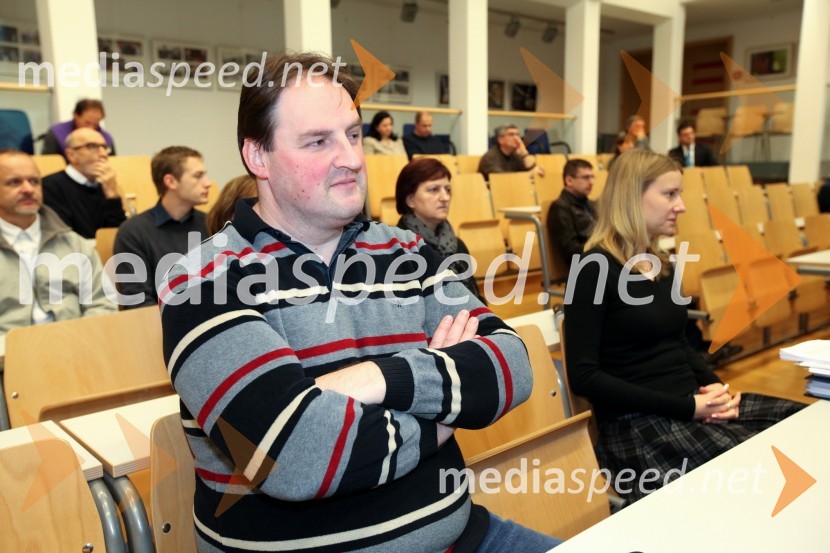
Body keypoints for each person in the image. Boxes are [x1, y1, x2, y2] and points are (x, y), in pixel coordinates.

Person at [160, 52, 560, 552]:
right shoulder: (204, 278)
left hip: (463, 538)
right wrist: (445, 408)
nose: (350, 157)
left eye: (352, 134)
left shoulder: (407, 250)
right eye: (318, 141)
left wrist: (374, 379)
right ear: (257, 157)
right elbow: (297, 458)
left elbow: (513, 365)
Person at [563, 149, 804, 503]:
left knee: (803, 426)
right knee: (767, 470)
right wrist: (688, 408)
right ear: (633, 197)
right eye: (670, 194)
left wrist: (716, 389)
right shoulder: (593, 269)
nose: (682, 206)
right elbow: (585, 376)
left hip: (689, 407)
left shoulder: (661, 264)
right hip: (639, 427)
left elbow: (679, 344)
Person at [0, 149, 115, 338]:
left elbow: (102, 303)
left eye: (34, 181)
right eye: (14, 182)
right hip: (8, 359)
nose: (28, 189)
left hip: (75, 349)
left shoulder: (74, 243)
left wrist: (78, 341)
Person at [113, 146, 210, 308]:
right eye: (198, 176)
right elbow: (138, 301)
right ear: (170, 181)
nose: (208, 183)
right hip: (162, 327)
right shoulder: (133, 231)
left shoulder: (212, 224)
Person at [395, 157, 483, 302]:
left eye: (447, 190)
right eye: (434, 190)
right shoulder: (399, 249)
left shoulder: (457, 244)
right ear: (410, 199)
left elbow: (477, 298)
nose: (445, 197)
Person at [42, 128, 126, 239]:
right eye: (92, 147)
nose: (103, 154)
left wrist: (112, 196)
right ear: (71, 154)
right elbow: (65, 237)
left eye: (105, 148)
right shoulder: (49, 186)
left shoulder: (105, 187)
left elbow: (117, 235)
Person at [547, 159, 596, 267]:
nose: (591, 182)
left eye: (593, 177)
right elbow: (572, 251)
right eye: (586, 177)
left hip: (599, 260)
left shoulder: (592, 205)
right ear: (569, 180)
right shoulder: (560, 208)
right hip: (585, 267)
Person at [41, 99, 116, 160]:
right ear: (76, 116)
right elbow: (48, 162)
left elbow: (113, 163)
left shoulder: (106, 138)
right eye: (87, 123)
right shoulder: (57, 133)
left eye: (96, 124)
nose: (91, 128)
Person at [477, 125, 544, 180]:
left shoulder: (516, 155)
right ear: (501, 140)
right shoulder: (489, 157)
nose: (516, 138)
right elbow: (501, 178)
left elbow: (534, 170)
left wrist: (524, 153)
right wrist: (530, 175)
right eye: (511, 135)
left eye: (517, 135)